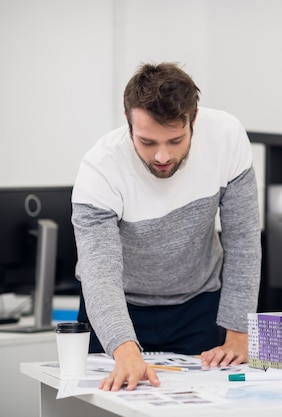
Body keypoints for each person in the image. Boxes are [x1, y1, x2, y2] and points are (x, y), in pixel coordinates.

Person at [71, 62, 261, 391]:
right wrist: (124, 349)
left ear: (194, 119)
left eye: (175, 140)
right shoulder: (100, 168)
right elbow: (99, 274)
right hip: (118, 308)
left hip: (197, 305)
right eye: (146, 142)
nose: (161, 155)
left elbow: (243, 242)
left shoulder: (226, 137)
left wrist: (238, 335)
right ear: (128, 123)